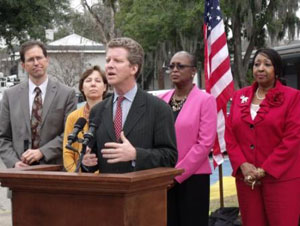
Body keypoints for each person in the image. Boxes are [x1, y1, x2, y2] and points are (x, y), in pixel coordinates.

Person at [225, 48, 300, 226]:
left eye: (267, 64)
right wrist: (243, 165)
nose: (260, 68)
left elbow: (293, 138)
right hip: (247, 180)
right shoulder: (238, 97)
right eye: (257, 64)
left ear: (277, 70)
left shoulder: (293, 97)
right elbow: (230, 135)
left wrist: (262, 170)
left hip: (281, 180)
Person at [82, 37, 177, 173]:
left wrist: (136, 155)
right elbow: (94, 158)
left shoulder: (159, 109)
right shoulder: (98, 111)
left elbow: (170, 157)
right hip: (108, 190)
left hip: (142, 191)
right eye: (108, 60)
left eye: (118, 61)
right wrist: (87, 163)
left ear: (133, 68)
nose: (109, 65)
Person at [160, 51, 217, 226]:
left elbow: (205, 143)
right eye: (171, 66)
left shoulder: (205, 100)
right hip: (163, 177)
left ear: (193, 71)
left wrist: (177, 174)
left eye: (180, 66)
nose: (174, 70)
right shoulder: (161, 100)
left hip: (193, 178)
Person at [0, 40, 77, 168]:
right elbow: (3, 137)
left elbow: (70, 134)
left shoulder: (67, 94)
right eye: (30, 59)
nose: (36, 63)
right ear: (23, 65)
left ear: (47, 60)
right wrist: (14, 163)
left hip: (54, 171)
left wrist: (42, 152)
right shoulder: (10, 96)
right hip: (20, 174)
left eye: (39, 58)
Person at [63, 66, 107, 172]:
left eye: (97, 81)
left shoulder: (112, 114)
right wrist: (77, 174)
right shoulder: (73, 117)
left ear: (105, 87)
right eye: (88, 80)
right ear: (82, 87)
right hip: (78, 178)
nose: (93, 84)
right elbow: (67, 152)